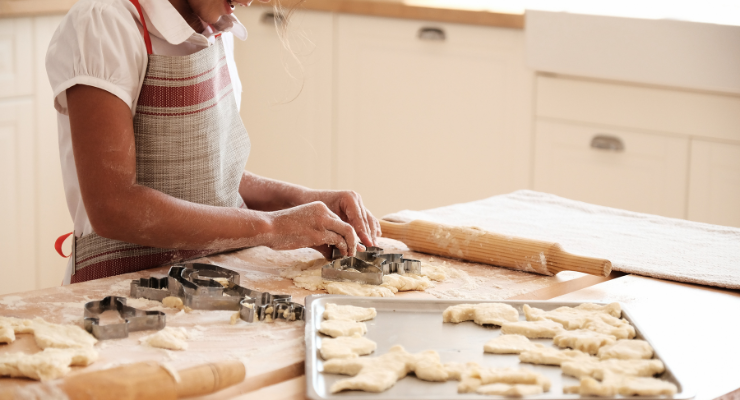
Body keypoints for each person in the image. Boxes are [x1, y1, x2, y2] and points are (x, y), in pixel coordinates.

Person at [46, 0, 380, 284]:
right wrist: (273, 227)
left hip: (210, 282)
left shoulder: (216, 26)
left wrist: (300, 200)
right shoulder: (104, 24)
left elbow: (208, 174)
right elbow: (114, 207)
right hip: (116, 290)